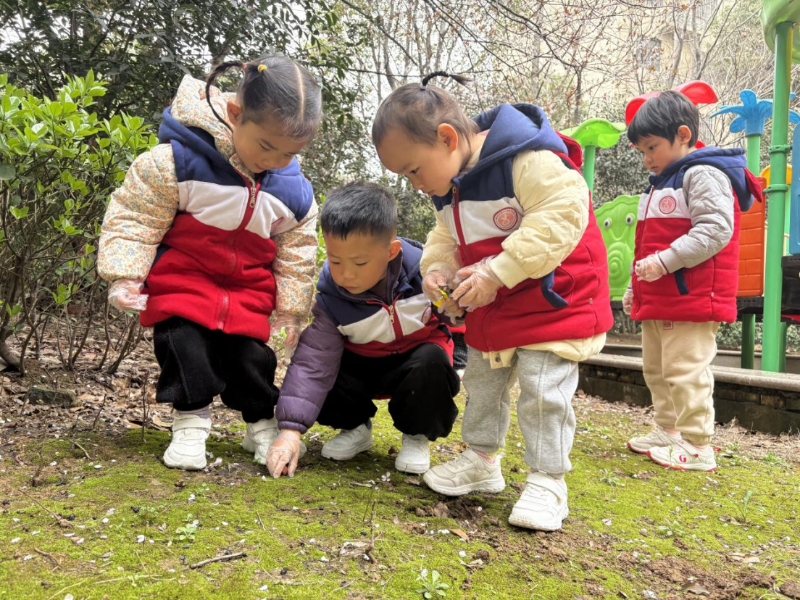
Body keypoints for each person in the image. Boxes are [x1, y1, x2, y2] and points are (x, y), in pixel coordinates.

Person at [371, 72, 613, 531]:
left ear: (447, 139)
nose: (414, 184)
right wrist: (437, 270)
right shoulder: (449, 187)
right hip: (497, 304)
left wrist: (495, 272)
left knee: (543, 390)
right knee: (483, 383)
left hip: (554, 300)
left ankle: (548, 481)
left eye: (413, 170)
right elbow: (445, 237)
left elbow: (563, 213)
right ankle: (482, 459)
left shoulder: (527, 159)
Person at [98, 55, 322, 470]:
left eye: (290, 153)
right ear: (235, 114)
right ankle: (190, 422)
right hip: (182, 285)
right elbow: (135, 217)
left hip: (248, 294)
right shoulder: (178, 162)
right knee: (183, 347)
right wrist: (125, 275)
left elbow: (297, 256)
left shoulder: (294, 194)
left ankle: (260, 423)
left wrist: (291, 312)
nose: (275, 160)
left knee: (252, 361)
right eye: (266, 146)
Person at [266, 181, 460, 479]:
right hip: (362, 366)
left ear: (391, 251)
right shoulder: (332, 300)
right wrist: (290, 432)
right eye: (335, 261)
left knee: (432, 360)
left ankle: (416, 435)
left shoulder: (427, 275)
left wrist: (456, 305)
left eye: (359, 263)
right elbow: (312, 365)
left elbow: (459, 318)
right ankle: (355, 428)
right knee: (325, 368)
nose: (346, 274)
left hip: (415, 364)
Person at [623, 90, 762, 471]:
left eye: (652, 147)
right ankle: (669, 430)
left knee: (685, 369)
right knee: (657, 369)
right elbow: (646, 244)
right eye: (642, 151)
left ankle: (699, 444)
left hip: (692, 296)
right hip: (661, 295)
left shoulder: (702, 174)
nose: (647, 158)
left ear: (683, 135)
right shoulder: (660, 183)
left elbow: (715, 230)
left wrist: (664, 263)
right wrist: (635, 287)